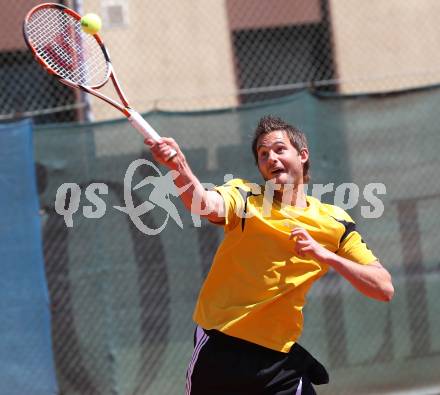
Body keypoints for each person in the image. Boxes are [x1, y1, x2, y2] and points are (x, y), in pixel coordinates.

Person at [145, 115, 394, 395]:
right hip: (222, 349)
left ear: (302, 155)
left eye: (279, 149)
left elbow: (383, 287)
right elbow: (203, 203)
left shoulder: (335, 222)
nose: (271, 158)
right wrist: (179, 167)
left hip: (279, 362)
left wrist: (326, 255)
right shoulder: (246, 197)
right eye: (263, 154)